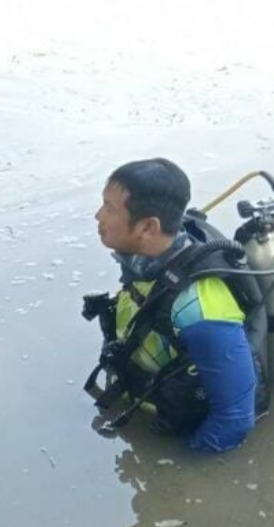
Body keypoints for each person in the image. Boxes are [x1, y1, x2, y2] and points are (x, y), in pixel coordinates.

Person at [85, 158, 264, 453]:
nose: (98, 215)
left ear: (148, 227)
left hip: (170, 431)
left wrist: (175, 481)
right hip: (140, 402)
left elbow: (233, 422)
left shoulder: (201, 310)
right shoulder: (145, 261)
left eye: (110, 208)